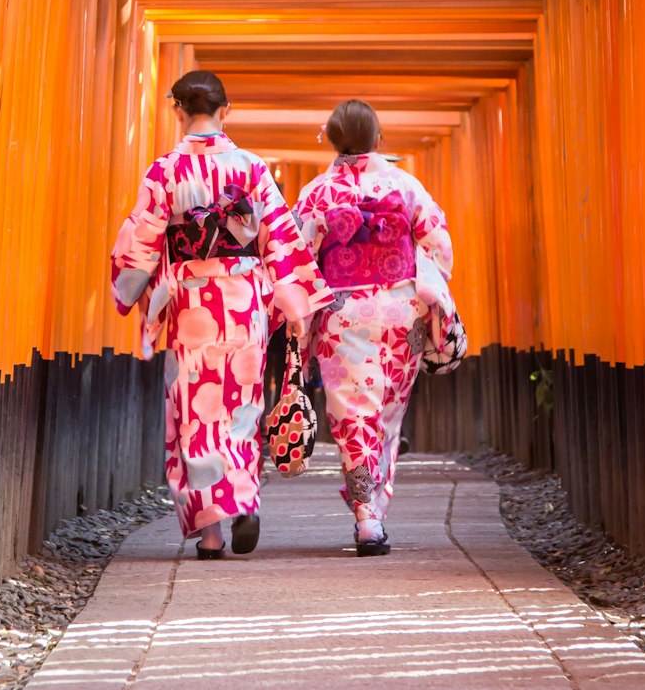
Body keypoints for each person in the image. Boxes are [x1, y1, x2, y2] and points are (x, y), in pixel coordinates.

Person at [111, 70, 332, 559]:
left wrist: (129, 290)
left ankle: (211, 534)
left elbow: (140, 245)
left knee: (197, 412)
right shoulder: (252, 169)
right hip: (245, 300)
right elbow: (280, 237)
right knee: (242, 404)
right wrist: (295, 304)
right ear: (225, 112)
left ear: (178, 111)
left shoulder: (163, 171)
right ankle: (246, 499)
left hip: (192, 299)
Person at [294, 100, 454, 557]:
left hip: (344, 313)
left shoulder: (316, 193)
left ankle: (366, 515)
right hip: (401, 312)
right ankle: (374, 502)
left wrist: (300, 328)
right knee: (387, 413)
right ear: (379, 139)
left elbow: (299, 259)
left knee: (353, 414)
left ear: (330, 139)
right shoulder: (405, 186)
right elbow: (440, 247)